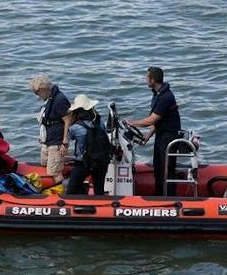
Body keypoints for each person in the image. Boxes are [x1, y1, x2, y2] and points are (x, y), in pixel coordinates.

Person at [123, 65, 183, 197]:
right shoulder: (158, 94)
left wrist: (132, 122)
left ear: (152, 80)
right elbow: (158, 121)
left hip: (168, 137)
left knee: (165, 169)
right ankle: (159, 195)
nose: (145, 80)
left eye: (147, 77)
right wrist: (147, 136)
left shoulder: (165, 97)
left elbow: (151, 120)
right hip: (161, 136)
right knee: (158, 168)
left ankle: (168, 197)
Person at [63, 95, 114, 197]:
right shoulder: (100, 123)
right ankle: (100, 208)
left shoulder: (75, 127)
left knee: (71, 190)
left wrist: (68, 122)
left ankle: (78, 203)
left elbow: (70, 138)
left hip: (83, 162)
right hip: (101, 161)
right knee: (99, 189)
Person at [28, 74, 70, 183]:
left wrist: (64, 142)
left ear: (43, 89)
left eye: (37, 93)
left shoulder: (59, 100)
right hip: (47, 139)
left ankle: (62, 190)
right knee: (44, 164)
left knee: (54, 172)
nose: (37, 95)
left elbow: (68, 120)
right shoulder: (49, 99)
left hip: (56, 141)